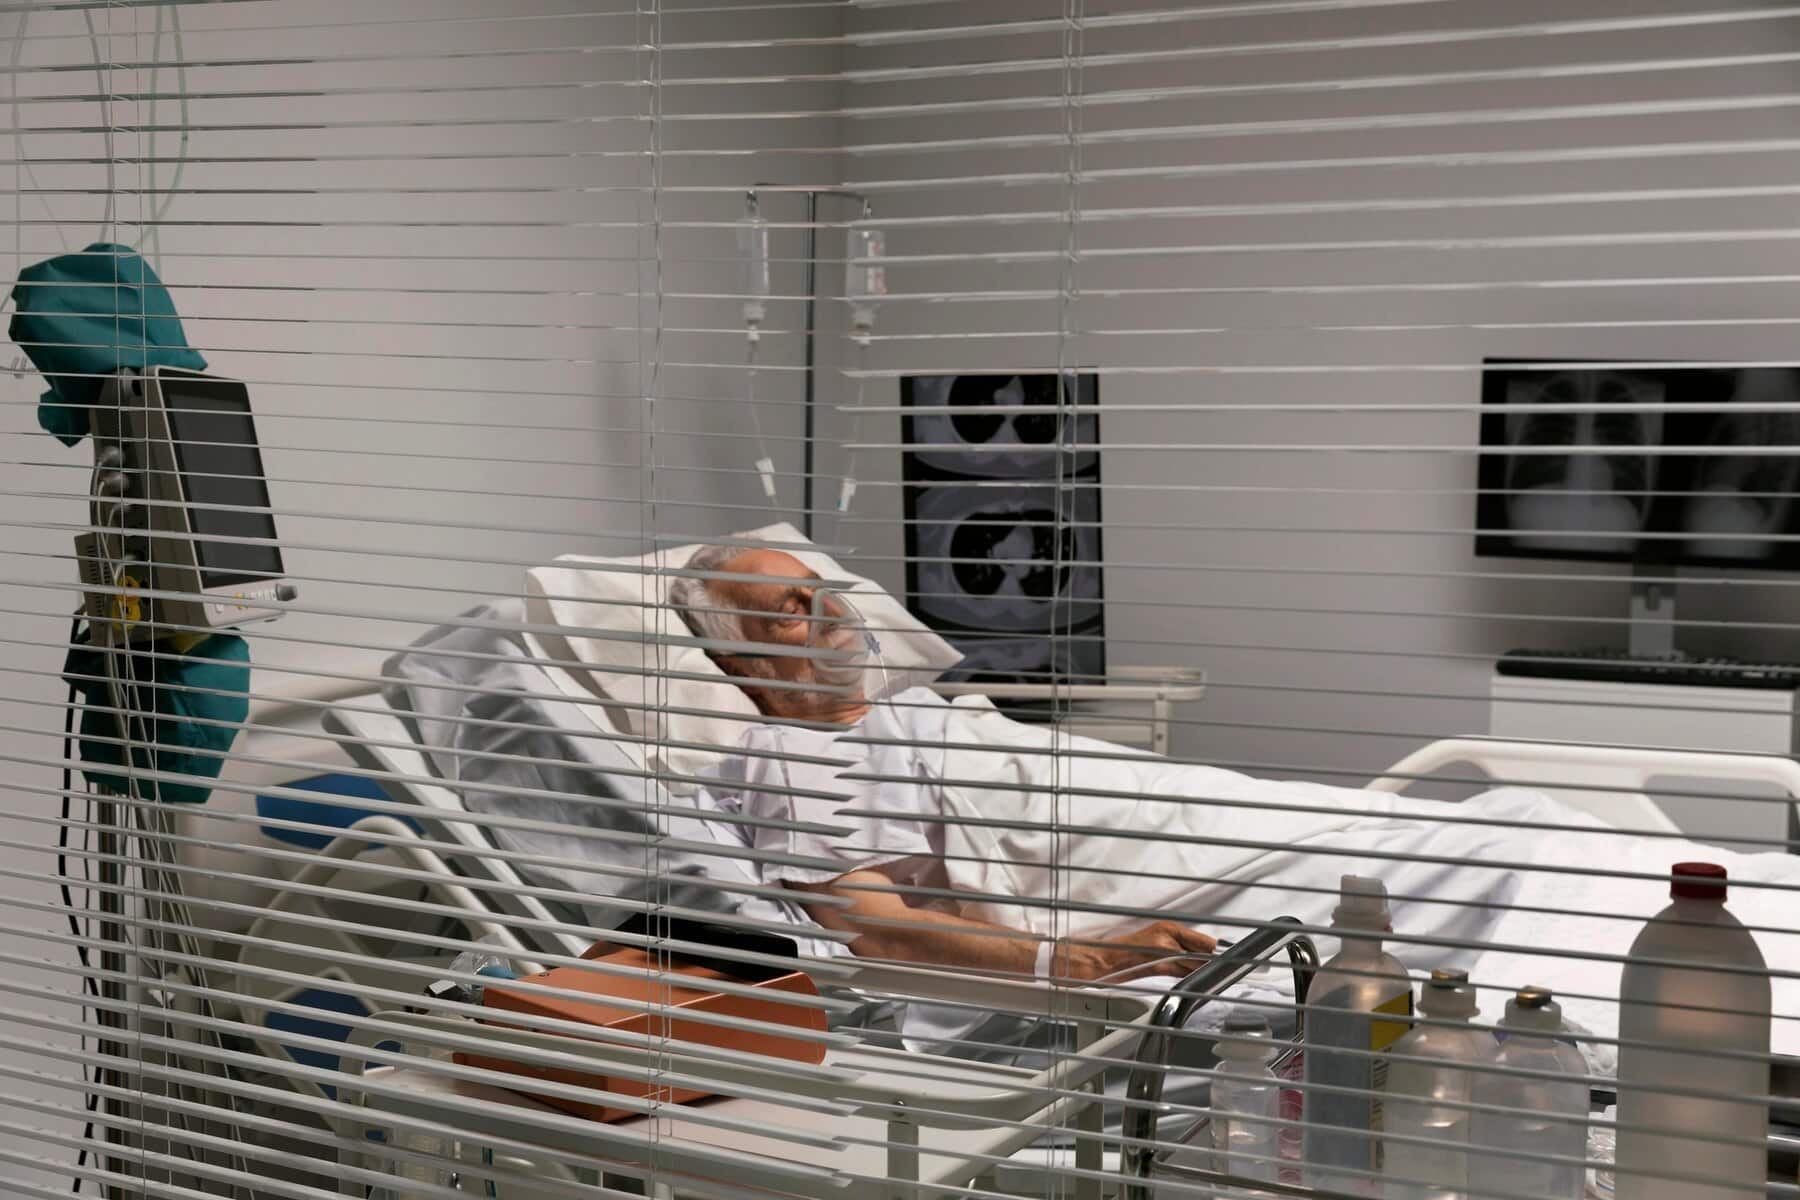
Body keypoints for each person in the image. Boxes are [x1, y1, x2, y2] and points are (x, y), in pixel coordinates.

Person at [669, 543, 1220, 983]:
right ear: (740, 664)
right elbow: (878, 931)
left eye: (823, 591)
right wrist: (1091, 960)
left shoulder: (910, 714)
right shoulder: (792, 756)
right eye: (791, 612)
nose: (831, 612)